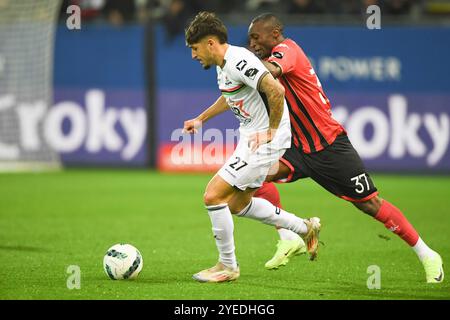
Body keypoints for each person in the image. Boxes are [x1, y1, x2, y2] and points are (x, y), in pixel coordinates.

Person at [247, 13, 444, 283]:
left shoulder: (287, 50)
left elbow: (270, 71)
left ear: (276, 33)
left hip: (330, 148)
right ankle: (290, 236)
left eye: (257, 37)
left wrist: (240, 61)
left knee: (371, 205)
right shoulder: (265, 58)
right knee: (249, 177)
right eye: (250, 39)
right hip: (298, 148)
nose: (253, 43)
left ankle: (427, 254)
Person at [183, 11, 321, 283]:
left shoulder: (238, 60)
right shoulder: (225, 66)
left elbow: (276, 90)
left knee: (213, 195)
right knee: (237, 204)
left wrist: (270, 131)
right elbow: (230, 97)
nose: (193, 55)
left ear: (211, 43)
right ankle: (305, 229)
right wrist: (201, 118)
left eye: (195, 49)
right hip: (252, 138)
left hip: (264, 140)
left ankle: (227, 266)